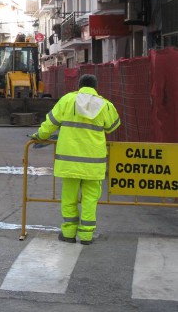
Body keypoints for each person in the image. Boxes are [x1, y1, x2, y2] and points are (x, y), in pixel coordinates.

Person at [31, 74, 120, 245]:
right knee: (90, 199)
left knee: (69, 198)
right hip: (93, 164)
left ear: (79, 86)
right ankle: (86, 236)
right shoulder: (105, 105)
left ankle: (69, 233)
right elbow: (113, 126)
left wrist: (40, 136)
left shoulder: (67, 100)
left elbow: (50, 123)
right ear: (95, 87)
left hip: (69, 162)